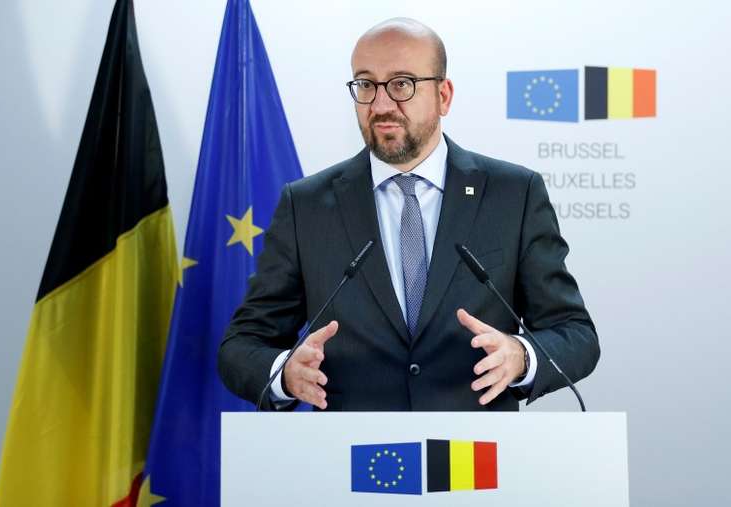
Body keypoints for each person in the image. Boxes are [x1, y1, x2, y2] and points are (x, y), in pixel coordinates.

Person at [218, 18, 599, 411]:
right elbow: (242, 345)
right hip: (352, 445)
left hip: (472, 446)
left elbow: (575, 334)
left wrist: (521, 357)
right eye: (366, 84)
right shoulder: (307, 205)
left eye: (402, 84)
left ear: (443, 96)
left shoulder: (513, 194)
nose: (381, 105)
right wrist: (284, 373)